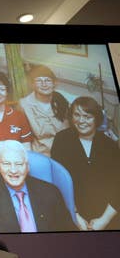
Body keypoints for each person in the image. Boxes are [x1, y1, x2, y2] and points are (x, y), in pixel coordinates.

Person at [0, 139, 76, 233]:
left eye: (19, 164)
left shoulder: (50, 192)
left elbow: (69, 231)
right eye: (6, 164)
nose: (13, 170)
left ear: (27, 166)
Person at [51, 96, 120, 230]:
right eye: (77, 115)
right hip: (70, 208)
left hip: (107, 212)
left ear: (97, 119)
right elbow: (58, 181)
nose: (81, 121)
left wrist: (104, 220)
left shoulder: (109, 145)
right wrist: (75, 214)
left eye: (88, 116)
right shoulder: (61, 140)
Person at [18, 64, 70, 156]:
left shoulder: (63, 102)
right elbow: (22, 136)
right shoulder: (24, 104)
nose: (44, 84)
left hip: (65, 152)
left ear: (54, 83)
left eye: (48, 80)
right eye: (39, 81)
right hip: (40, 154)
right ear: (32, 84)